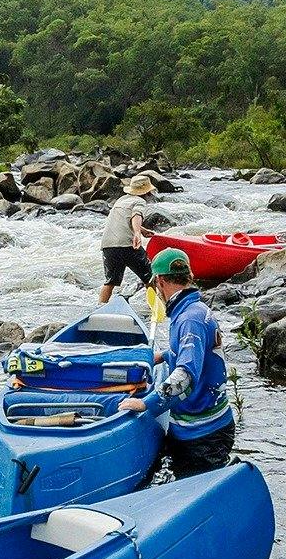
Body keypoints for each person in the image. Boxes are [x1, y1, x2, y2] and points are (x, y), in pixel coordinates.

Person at [119, 248, 234, 477]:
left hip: (203, 434)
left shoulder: (189, 319)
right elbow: (194, 355)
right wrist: (162, 356)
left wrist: (146, 403)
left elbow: (186, 375)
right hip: (201, 426)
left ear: (160, 281)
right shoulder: (194, 309)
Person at [97, 174, 158, 305]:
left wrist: (142, 230)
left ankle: (99, 308)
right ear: (147, 192)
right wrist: (137, 232)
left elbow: (124, 219)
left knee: (110, 282)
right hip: (127, 245)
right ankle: (154, 308)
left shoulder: (121, 200)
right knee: (150, 277)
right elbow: (136, 215)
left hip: (108, 245)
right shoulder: (139, 201)